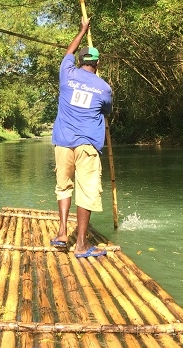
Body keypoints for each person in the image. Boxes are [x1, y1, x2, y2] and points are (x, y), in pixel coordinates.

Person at [50, 17, 112, 258]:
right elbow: (106, 111)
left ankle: (63, 233)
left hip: (63, 142)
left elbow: (70, 50)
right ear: (96, 64)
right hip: (87, 146)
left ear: (78, 61)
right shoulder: (104, 88)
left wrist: (82, 30)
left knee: (63, 187)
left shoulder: (67, 73)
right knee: (87, 191)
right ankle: (82, 245)